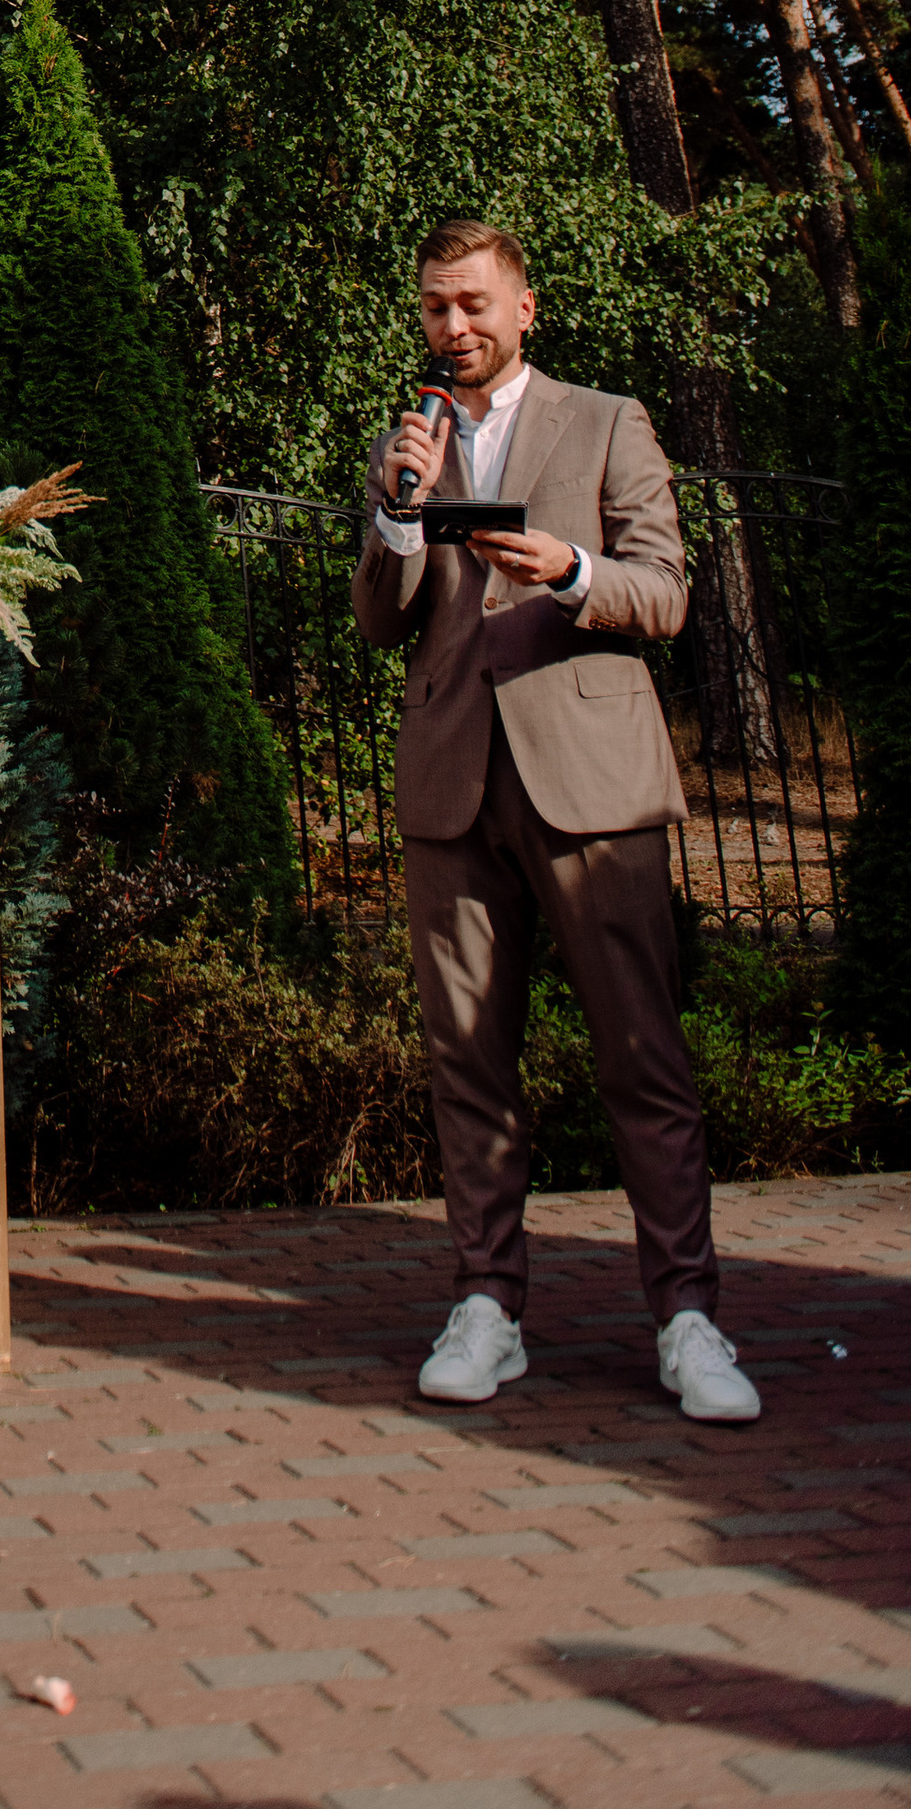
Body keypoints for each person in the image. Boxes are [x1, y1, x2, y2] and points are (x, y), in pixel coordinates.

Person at [356, 212, 758, 1426]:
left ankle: (687, 1320)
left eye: (474, 303)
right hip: (449, 783)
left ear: (523, 307)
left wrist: (572, 573)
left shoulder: (607, 420)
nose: (453, 326)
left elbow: (668, 592)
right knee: (467, 1062)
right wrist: (391, 515)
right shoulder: (405, 444)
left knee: (642, 1055)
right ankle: (488, 1307)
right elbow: (380, 621)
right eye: (435, 306)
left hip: (586, 776)